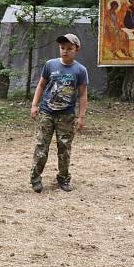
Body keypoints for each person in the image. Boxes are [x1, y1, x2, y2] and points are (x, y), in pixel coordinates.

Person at [29, 33, 89, 193]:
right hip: (47, 112)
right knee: (41, 146)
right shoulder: (50, 65)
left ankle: (63, 178)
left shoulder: (80, 70)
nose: (65, 51)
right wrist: (34, 105)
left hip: (66, 116)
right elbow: (41, 85)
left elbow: (83, 94)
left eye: (69, 48)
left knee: (64, 148)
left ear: (76, 49)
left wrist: (81, 117)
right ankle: (35, 178)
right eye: (62, 48)